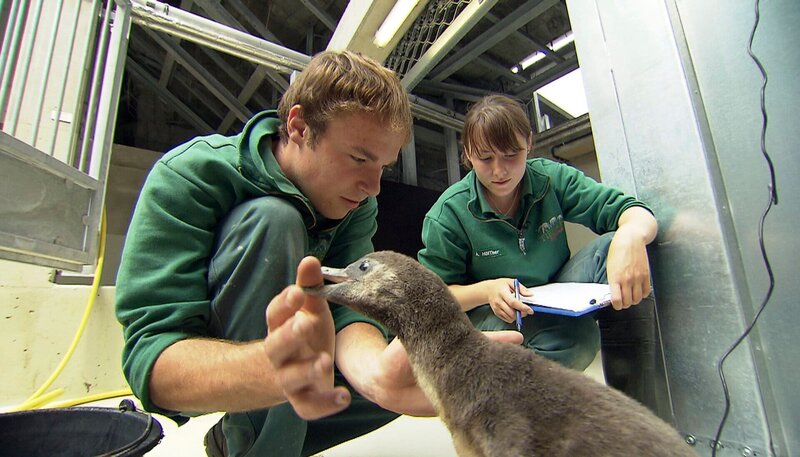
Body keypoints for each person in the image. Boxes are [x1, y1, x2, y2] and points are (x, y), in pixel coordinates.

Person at [115, 51, 527, 457]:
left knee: (401, 379)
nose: (374, 186)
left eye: (382, 166)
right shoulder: (191, 175)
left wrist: (375, 375)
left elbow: (350, 307)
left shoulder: (357, 204)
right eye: (358, 158)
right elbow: (150, 358)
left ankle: (245, 439)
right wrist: (268, 370)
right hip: (218, 353)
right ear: (298, 126)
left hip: (304, 364)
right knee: (273, 219)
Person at [418, 95, 659, 398]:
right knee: (575, 341)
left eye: (510, 155)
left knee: (620, 249)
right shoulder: (449, 215)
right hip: (494, 314)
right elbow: (430, 300)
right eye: (485, 158)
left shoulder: (551, 178)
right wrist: (486, 290)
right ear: (467, 153)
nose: (499, 171)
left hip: (553, 292)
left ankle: (638, 406)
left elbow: (634, 212)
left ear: (529, 143)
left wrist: (631, 236)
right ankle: (513, 409)